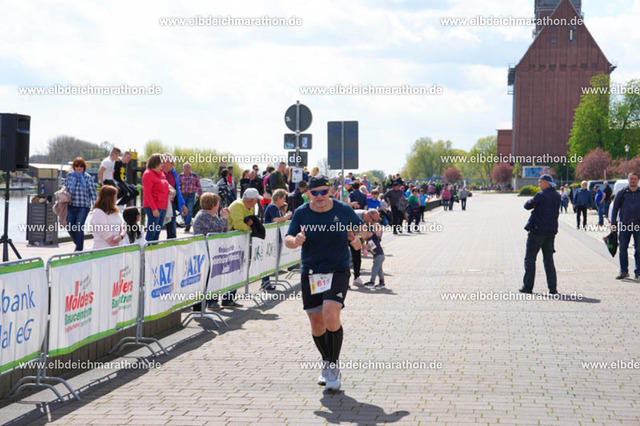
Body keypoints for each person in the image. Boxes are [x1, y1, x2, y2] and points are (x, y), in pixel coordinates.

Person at [284, 175, 364, 392]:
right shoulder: (302, 212)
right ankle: (327, 361)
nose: (319, 196)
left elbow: (362, 229)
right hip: (311, 272)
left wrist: (358, 239)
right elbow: (288, 239)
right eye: (315, 193)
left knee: (330, 313)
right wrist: (295, 241)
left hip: (337, 270)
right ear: (308, 193)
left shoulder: (342, 209)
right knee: (317, 323)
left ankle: (333, 366)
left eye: (323, 192)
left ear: (330, 191)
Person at [520, 174, 561, 294]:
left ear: (545, 182)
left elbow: (527, 206)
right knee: (548, 260)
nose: (539, 184)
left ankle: (528, 287)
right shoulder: (557, 196)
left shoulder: (541, 195)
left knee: (530, 258)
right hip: (551, 231)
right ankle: (552, 287)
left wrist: (534, 204)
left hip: (537, 231)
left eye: (540, 182)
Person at [224, 187, 262, 308]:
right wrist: (250, 228)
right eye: (256, 200)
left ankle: (229, 298)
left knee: (237, 270)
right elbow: (239, 225)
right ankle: (223, 299)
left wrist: (250, 226)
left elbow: (250, 221)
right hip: (229, 243)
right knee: (229, 271)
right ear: (251, 200)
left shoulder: (250, 208)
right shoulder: (237, 206)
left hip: (240, 243)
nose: (257, 202)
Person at [192, 193, 230, 310]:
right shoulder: (203, 216)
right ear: (213, 205)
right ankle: (203, 306)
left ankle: (213, 301)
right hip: (204, 252)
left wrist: (223, 219)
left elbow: (224, 230)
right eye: (217, 204)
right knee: (205, 279)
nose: (219, 206)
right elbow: (217, 229)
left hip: (213, 252)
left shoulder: (213, 216)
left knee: (213, 277)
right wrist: (224, 218)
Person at [261, 189, 293, 291]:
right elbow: (276, 219)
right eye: (283, 198)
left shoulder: (275, 207)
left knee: (270, 261)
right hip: (270, 238)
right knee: (268, 260)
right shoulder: (273, 207)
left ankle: (266, 282)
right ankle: (265, 282)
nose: (284, 200)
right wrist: (287, 217)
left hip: (274, 237)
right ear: (278, 198)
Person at [65, 157, 98, 251]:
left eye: (81, 166)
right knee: (69, 227)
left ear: (84, 167)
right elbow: (65, 188)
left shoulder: (88, 177)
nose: (79, 168)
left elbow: (93, 193)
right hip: (71, 206)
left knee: (79, 227)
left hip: (83, 207)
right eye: (77, 166)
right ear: (74, 167)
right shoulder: (69, 176)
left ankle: (79, 249)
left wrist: (96, 206)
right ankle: (79, 243)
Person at [611, 172, 640, 280]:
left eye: (635, 179)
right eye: (631, 178)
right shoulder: (622, 193)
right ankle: (623, 271)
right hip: (624, 225)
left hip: (638, 225)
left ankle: (638, 272)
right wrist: (613, 224)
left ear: (638, 180)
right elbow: (615, 209)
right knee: (623, 249)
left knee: (639, 250)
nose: (633, 180)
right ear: (628, 180)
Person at [142, 153, 169, 241]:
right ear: (156, 163)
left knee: (157, 231)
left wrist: (169, 191)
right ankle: (147, 247)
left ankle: (154, 247)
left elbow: (161, 187)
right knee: (152, 232)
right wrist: (154, 209)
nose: (163, 164)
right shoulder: (148, 174)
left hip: (162, 206)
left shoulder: (161, 173)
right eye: (161, 162)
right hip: (154, 206)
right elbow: (147, 193)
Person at [90, 185, 126, 249]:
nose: (116, 199)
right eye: (115, 196)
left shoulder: (114, 211)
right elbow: (112, 241)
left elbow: (123, 226)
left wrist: (121, 235)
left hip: (118, 250)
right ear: (110, 198)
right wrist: (122, 235)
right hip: (103, 250)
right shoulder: (98, 213)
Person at [162, 154, 187, 239]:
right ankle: (152, 246)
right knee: (155, 231)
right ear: (164, 162)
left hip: (171, 205)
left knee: (172, 231)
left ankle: (171, 246)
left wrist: (182, 204)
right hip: (160, 205)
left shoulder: (173, 172)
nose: (173, 164)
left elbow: (177, 190)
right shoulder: (157, 172)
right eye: (171, 162)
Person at [178, 162, 203, 233]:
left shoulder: (194, 176)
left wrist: (200, 194)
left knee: (189, 209)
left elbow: (198, 185)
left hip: (191, 195)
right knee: (183, 210)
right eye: (185, 167)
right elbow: (177, 186)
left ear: (190, 168)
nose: (186, 169)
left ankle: (187, 224)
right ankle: (186, 222)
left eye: (188, 167)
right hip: (182, 195)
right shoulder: (180, 176)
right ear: (183, 168)